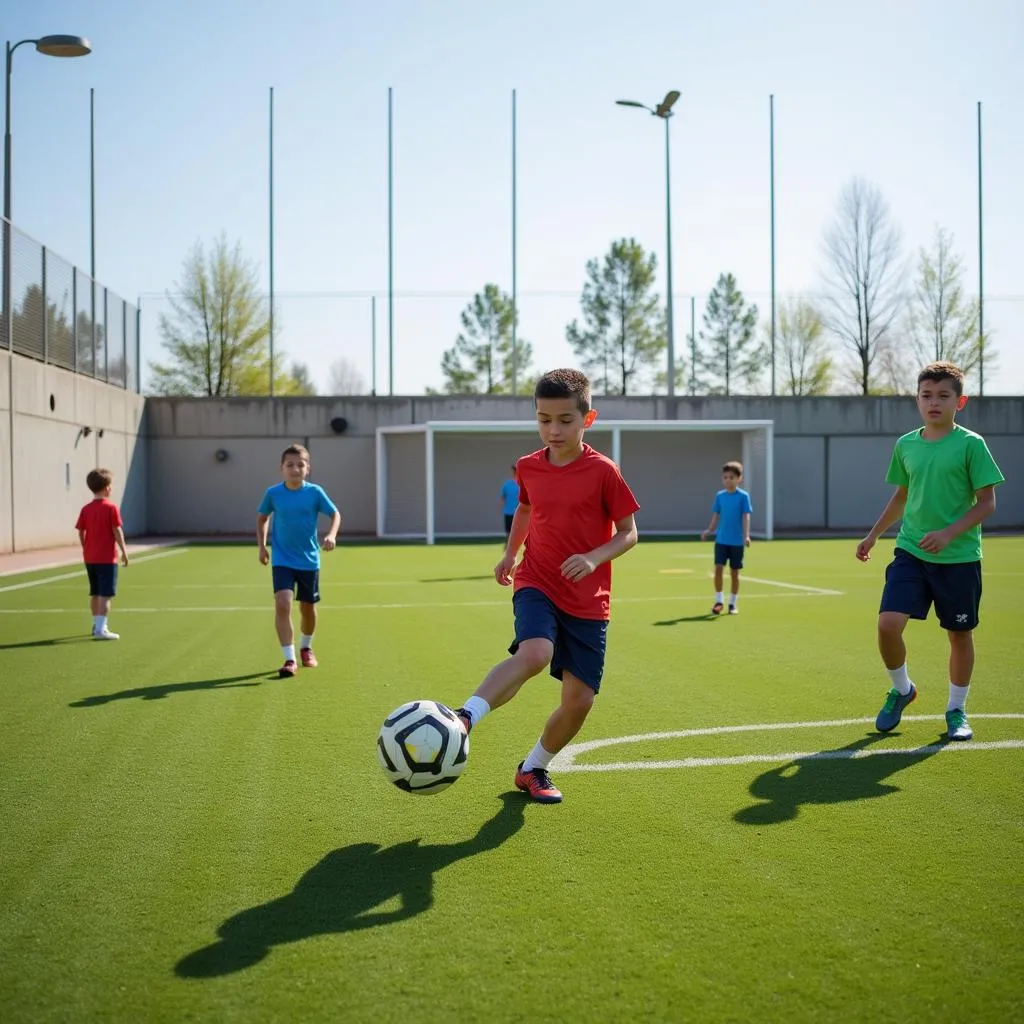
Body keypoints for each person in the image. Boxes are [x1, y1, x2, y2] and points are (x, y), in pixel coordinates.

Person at [453, 368, 640, 803]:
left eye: (564, 420)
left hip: (589, 599)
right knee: (536, 652)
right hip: (537, 579)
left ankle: (533, 767)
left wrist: (594, 557)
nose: (552, 430)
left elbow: (629, 531)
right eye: (543, 419)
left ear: (587, 419)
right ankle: (465, 717)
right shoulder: (529, 467)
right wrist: (509, 554)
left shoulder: (604, 471)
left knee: (580, 701)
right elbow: (524, 510)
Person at [856, 361, 1004, 742]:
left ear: (960, 401)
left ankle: (956, 710)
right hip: (911, 551)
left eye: (943, 396)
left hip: (959, 558)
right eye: (926, 396)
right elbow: (902, 496)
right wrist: (873, 536)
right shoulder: (906, 445)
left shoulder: (972, 445)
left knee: (959, 635)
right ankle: (902, 689)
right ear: (917, 400)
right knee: (888, 624)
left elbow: (987, 502)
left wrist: (949, 533)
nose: (933, 402)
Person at [257, 444, 342, 678]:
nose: (295, 469)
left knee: (308, 609)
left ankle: (306, 646)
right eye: (290, 465)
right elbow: (262, 517)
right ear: (282, 468)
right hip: (282, 559)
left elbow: (335, 514)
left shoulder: (315, 493)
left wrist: (332, 534)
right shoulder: (273, 493)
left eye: (300, 464)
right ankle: (289, 659)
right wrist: (262, 547)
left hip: (309, 560)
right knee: (282, 603)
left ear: (308, 468)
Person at [75, 468, 130, 640]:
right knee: (105, 594)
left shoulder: (86, 509)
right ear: (107, 488)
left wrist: (86, 547)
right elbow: (116, 530)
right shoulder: (111, 507)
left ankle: (96, 624)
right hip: (107, 558)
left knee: (96, 592)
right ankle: (101, 629)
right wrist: (124, 551)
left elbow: (81, 532)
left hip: (90, 558)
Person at [700, 461, 752, 615]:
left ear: (739, 479)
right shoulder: (720, 496)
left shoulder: (743, 497)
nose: (728, 480)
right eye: (725, 477)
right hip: (721, 541)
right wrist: (710, 530)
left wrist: (747, 535)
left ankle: (733, 603)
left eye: (732, 477)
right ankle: (719, 601)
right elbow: (716, 515)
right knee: (718, 569)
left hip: (737, 542)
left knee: (735, 572)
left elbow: (746, 516)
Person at [499, 464, 520, 538]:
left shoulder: (521, 484)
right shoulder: (507, 484)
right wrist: (500, 506)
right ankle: (508, 545)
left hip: (518, 513)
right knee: (508, 532)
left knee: (517, 531)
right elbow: (503, 497)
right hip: (508, 512)